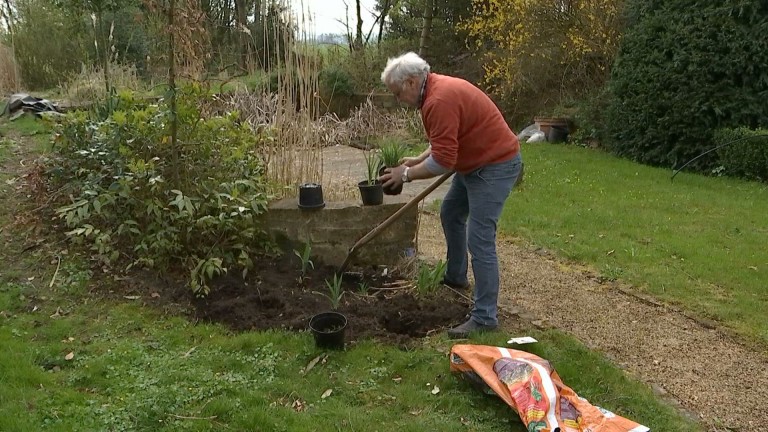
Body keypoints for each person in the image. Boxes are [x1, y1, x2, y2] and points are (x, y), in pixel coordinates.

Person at [378, 52, 523, 338]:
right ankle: (456, 278)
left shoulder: (438, 99)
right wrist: (416, 159)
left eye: (397, 94)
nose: (398, 101)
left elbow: (444, 162)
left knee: (480, 239)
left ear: (410, 82)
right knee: (451, 212)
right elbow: (444, 142)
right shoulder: (434, 92)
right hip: (474, 163)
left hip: (495, 166)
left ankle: (485, 317)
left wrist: (405, 175)